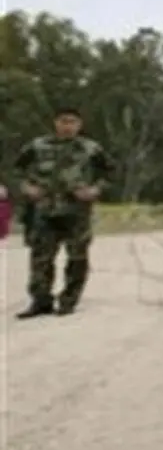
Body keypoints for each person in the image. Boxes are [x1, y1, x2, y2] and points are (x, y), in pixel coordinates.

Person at [14, 106, 114, 319]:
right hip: (44, 210)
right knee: (41, 258)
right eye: (63, 121)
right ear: (55, 123)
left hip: (76, 212)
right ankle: (41, 301)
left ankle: (69, 300)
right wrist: (26, 187)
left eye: (72, 122)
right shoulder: (37, 146)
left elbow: (110, 172)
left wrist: (95, 190)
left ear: (79, 125)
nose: (67, 126)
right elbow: (17, 170)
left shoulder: (90, 149)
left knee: (77, 258)